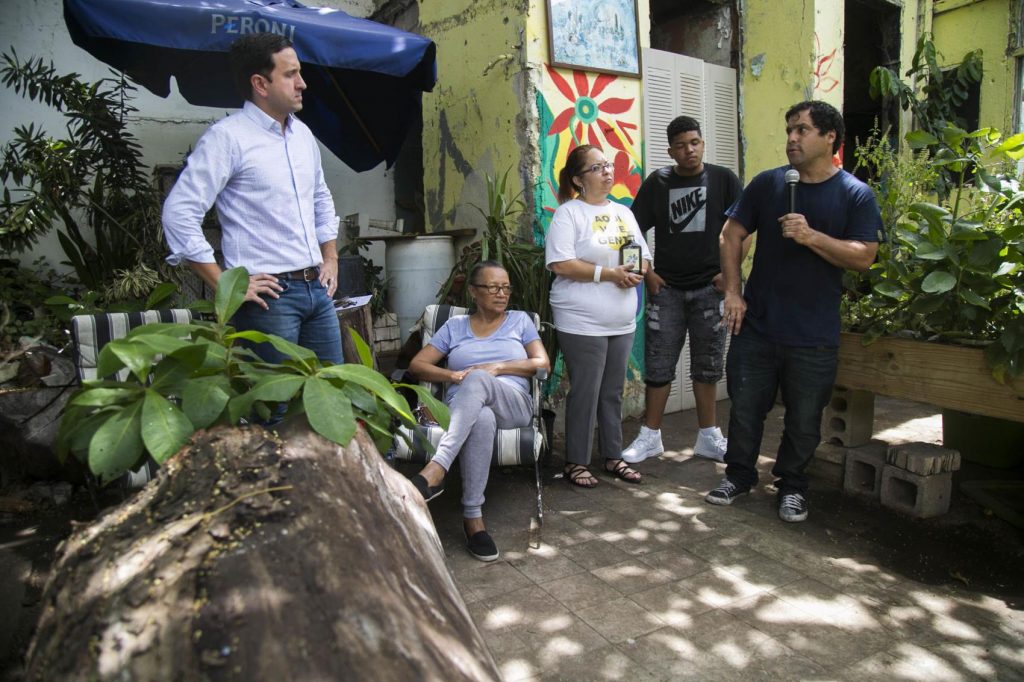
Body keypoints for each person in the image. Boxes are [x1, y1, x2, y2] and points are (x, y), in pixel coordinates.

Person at [705, 100, 882, 522]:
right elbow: (730, 235)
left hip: (814, 333)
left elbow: (864, 256)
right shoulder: (770, 184)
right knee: (746, 409)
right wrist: (733, 291)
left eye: (802, 130)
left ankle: (792, 487)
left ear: (830, 137)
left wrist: (811, 236)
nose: (791, 139)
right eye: (789, 130)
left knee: (804, 420)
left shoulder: (855, 194)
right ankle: (739, 476)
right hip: (758, 325)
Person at [163, 33, 343, 365]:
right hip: (268, 299)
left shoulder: (302, 134)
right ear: (260, 84)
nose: (302, 83)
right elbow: (178, 213)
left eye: (299, 73)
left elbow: (320, 196)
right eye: (290, 75)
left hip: (316, 289)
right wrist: (225, 285)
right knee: (273, 409)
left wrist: (330, 257)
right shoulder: (227, 138)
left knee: (332, 397)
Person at [621, 116, 743, 465]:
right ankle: (650, 437)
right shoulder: (658, 183)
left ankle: (709, 437)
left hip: (711, 289)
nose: (689, 150)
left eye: (695, 142)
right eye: (681, 145)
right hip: (667, 290)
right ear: (670, 150)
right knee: (659, 367)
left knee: (707, 366)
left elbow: (743, 231)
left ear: (702, 143)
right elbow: (631, 233)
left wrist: (728, 274)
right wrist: (646, 273)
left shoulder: (724, 179)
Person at [408, 261, 550, 562]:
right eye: (493, 287)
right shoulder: (455, 327)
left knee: (479, 379)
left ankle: (437, 468)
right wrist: (453, 376)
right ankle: (473, 521)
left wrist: (497, 367)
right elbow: (418, 364)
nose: (502, 294)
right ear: (473, 291)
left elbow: (542, 363)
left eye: (506, 287)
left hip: (512, 403)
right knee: (481, 415)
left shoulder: (520, 321)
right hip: (465, 409)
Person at [546, 145, 652, 488]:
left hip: (620, 319)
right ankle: (576, 461)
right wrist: (609, 274)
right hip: (581, 320)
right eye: (597, 167)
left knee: (612, 392)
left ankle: (613, 456)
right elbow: (561, 263)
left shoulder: (623, 212)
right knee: (586, 391)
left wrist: (636, 272)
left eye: (608, 165)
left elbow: (642, 257)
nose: (608, 171)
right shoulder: (569, 214)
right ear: (579, 179)